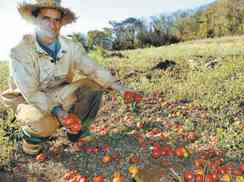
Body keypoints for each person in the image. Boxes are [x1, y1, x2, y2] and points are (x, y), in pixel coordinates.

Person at [0, 0, 142, 155]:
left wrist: (121, 89)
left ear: (61, 23)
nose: (52, 25)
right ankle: (30, 143)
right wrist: (61, 114)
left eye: (56, 20)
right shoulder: (20, 51)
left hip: (58, 93)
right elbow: (31, 93)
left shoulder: (71, 47)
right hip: (26, 98)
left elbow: (93, 69)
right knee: (44, 124)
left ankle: (77, 132)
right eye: (46, 19)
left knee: (92, 86)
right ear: (35, 20)